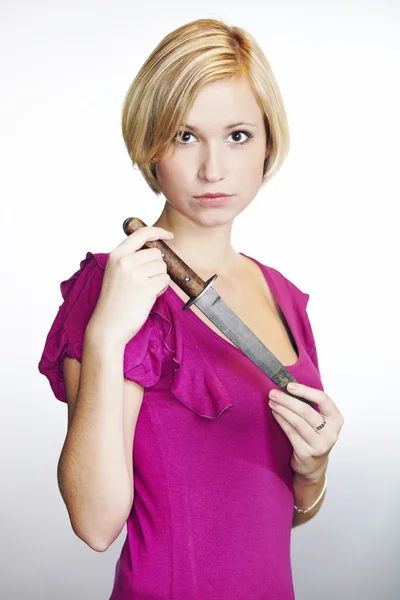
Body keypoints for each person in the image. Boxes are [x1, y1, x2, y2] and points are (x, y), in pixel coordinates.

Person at [38, 18, 344, 600]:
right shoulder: (113, 287)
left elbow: (268, 519)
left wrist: (313, 471)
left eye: (236, 135)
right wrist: (105, 336)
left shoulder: (283, 295)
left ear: (268, 142)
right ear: (149, 144)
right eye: (184, 136)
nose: (212, 169)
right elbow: (96, 524)